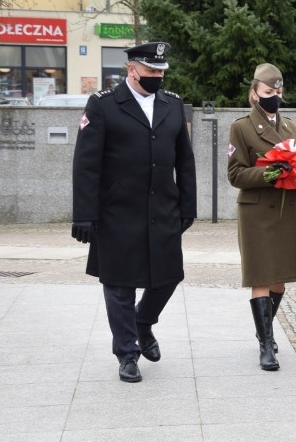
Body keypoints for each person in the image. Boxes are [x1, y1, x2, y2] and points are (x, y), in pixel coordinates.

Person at [71, 41, 197, 383]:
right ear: (132, 70)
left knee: (169, 277)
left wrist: (188, 206)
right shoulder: (104, 106)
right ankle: (127, 353)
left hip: (163, 208)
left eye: (161, 71)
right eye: (151, 70)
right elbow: (86, 164)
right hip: (117, 213)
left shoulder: (172, 105)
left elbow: (185, 161)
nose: (157, 76)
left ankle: (144, 322)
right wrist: (84, 213)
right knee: (119, 284)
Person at [227, 63, 296, 371]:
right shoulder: (242, 127)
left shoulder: (290, 127)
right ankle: (266, 345)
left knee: (280, 282)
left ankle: (265, 327)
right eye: (267, 92)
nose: (273, 97)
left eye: (277, 92)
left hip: (287, 210)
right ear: (254, 94)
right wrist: (271, 173)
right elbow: (235, 174)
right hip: (257, 211)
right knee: (261, 277)